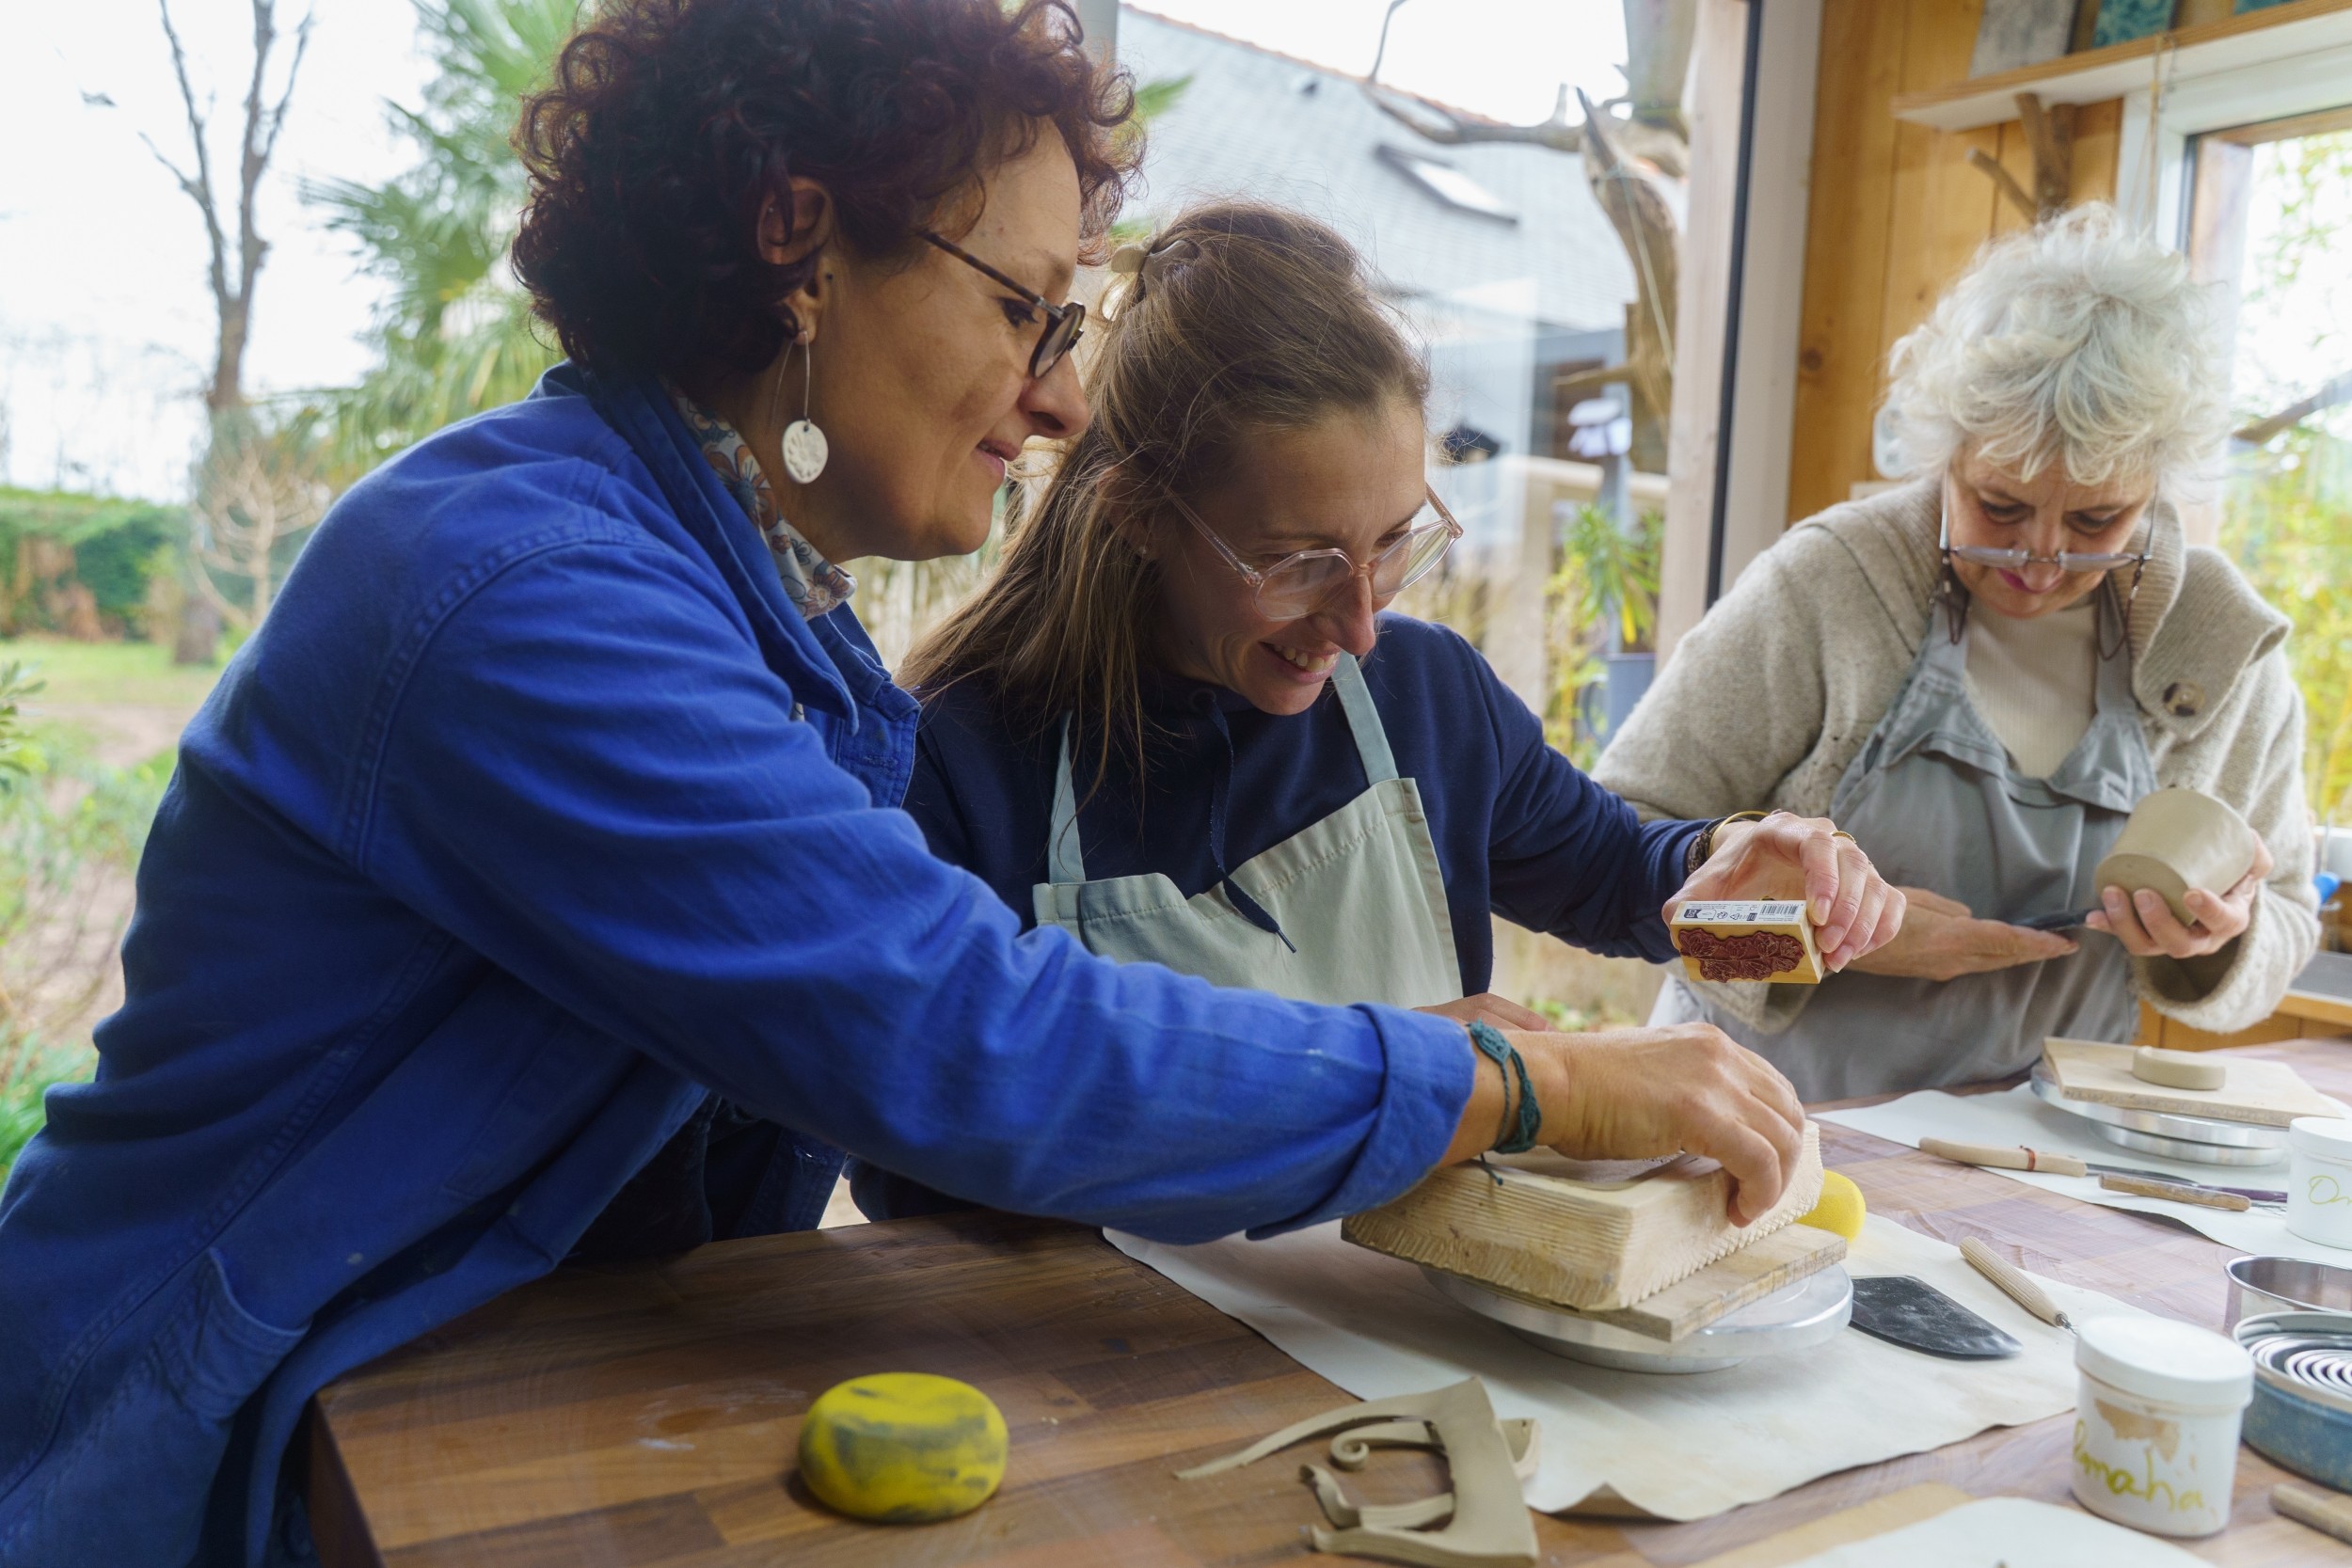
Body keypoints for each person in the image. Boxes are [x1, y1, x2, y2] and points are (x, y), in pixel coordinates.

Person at [0, 6, 1834, 1565]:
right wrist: (1522, 1073)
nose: (1050, 397)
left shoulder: (751, 615)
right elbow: (965, 1038)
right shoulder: (525, 595)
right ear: (802, 243)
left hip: (459, 1399)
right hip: (168, 1449)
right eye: (1027, 311)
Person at [866, 200, 1902, 1214]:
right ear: (1138, 516)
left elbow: (1626, 890)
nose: (1357, 624)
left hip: (1405, 1322)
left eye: (1395, 543)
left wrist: (1749, 898)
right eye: (1298, 562)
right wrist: (1426, 1080)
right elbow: (917, 1166)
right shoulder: (956, 752)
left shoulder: (1424, 695)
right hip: (1118, 1355)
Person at [1594, 205, 2317, 1101]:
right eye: (1999, 507)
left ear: (2156, 490)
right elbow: (1618, 870)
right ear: (1945, 454)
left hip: (2046, 1160)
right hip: (1760, 1127)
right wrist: (1830, 938)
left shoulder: (2220, 643)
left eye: (2096, 520)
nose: (2042, 558)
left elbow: (2286, 910)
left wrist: (2222, 940)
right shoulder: (1830, 586)